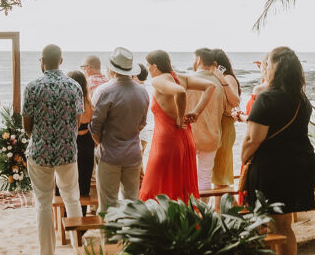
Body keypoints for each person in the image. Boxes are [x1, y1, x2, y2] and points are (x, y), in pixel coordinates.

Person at [242, 46, 315, 255]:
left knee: (267, 226)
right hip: (300, 165)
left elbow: (253, 139)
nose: (264, 68)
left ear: (275, 69)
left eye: (267, 65)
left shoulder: (266, 98)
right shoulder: (301, 100)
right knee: (284, 226)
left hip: (273, 168)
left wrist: (243, 159)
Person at [24, 44, 84, 255]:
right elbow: (78, 122)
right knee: (72, 198)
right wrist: (64, 137)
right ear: (61, 61)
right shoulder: (74, 86)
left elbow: (27, 125)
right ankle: (79, 249)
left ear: (42, 61)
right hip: (68, 152)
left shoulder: (33, 87)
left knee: (43, 202)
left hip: (40, 152)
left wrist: (42, 136)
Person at [139, 50, 216, 203]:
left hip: (167, 141)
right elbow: (210, 86)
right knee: (180, 185)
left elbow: (180, 92)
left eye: (148, 65)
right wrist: (196, 112)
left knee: (156, 185)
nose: (147, 69)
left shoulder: (159, 80)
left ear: (154, 66)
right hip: (185, 138)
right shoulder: (181, 77)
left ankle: (159, 223)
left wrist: (180, 118)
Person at [89, 48, 149, 213]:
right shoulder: (142, 91)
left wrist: (102, 143)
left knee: (108, 205)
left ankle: (110, 238)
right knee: (132, 202)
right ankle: (129, 237)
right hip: (133, 153)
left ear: (112, 69)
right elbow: (142, 123)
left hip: (109, 155)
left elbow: (95, 127)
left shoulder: (105, 91)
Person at [187, 48, 225, 196]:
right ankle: (203, 212)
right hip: (212, 136)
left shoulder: (189, 80)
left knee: (187, 176)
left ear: (199, 60)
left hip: (191, 135)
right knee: (205, 176)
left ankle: (189, 211)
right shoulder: (219, 84)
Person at [211, 49, 241, 197]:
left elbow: (234, 102)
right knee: (219, 170)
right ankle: (225, 206)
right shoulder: (220, 78)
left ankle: (219, 207)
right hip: (219, 125)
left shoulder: (227, 78)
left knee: (221, 170)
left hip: (225, 124)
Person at [66, 70, 95, 215]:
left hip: (73, 142)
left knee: (68, 183)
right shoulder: (89, 102)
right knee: (84, 183)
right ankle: (82, 214)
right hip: (88, 143)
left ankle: (67, 216)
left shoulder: (69, 103)